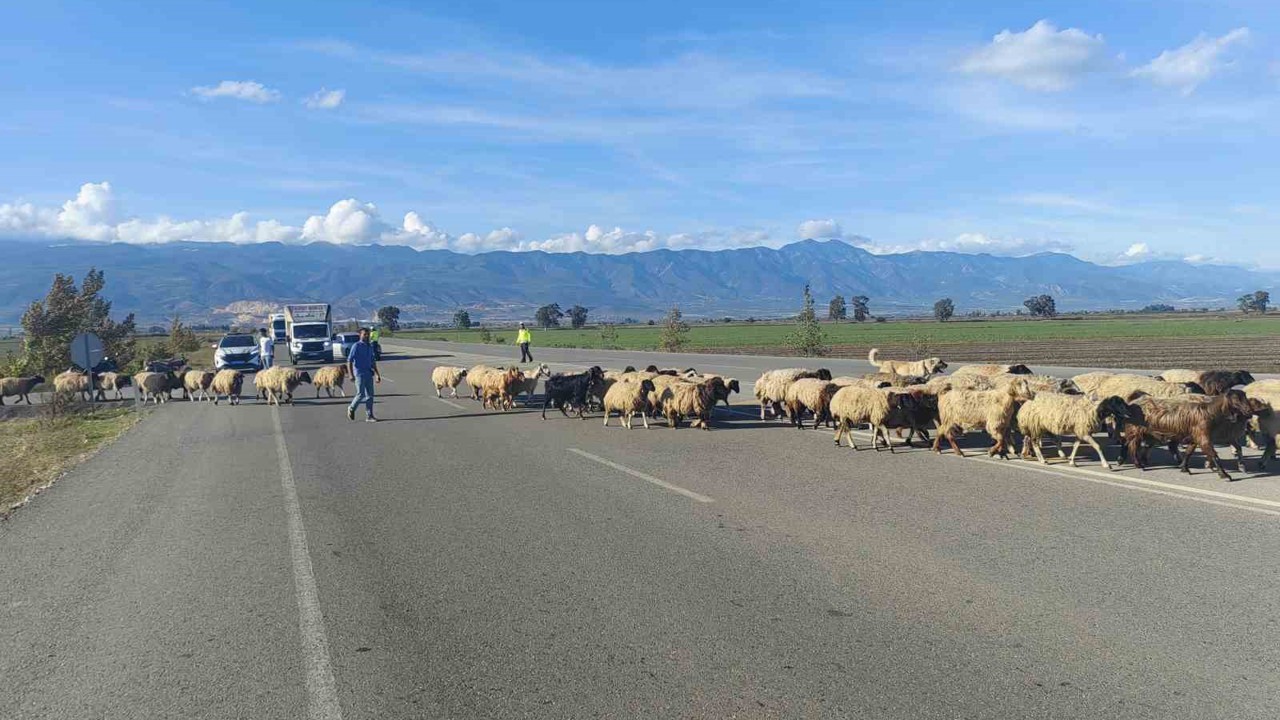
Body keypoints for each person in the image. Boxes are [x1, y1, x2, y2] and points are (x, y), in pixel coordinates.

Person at [346, 327, 382, 422]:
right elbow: (349, 360)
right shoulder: (356, 346)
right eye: (364, 334)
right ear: (360, 335)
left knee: (370, 396)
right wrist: (350, 374)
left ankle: (369, 416)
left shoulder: (369, 346)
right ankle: (351, 408)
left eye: (367, 334)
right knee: (360, 394)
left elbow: (372, 361)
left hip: (368, 373)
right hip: (359, 373)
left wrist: (377, 374)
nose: (366, 336)